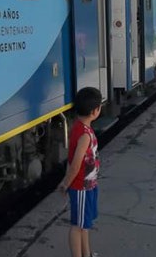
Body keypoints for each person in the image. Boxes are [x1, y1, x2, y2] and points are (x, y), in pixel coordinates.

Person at [58, 87, 102, 257]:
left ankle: (87, 253)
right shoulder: (85, 135)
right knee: (78, 226)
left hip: (89, 185)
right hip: (81, 187)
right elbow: (75, 165)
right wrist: (65, 183)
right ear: (94, 111)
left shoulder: (78, 127)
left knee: (85, 224)